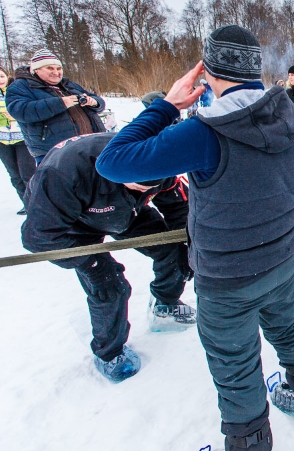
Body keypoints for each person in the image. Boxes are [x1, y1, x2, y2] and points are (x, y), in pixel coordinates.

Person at [96, 25, 294, 450]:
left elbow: (112, 161)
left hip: (226, 277)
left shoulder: (205, 132)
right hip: (279, 259)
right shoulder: (293, 116)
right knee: (287, 327)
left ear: (207, 71)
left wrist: (166, 106)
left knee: (236, 370)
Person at [22, 133, 195, 382]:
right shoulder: (62, 176)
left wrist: (185, 240)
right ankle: (109, 353)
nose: (147, 190)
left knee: (174, 251)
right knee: (109, 285)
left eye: (150, 188)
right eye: (140, 186)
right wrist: (92, 264)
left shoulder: (159, 160)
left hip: (126, 210)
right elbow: (38, 237)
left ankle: (165, 304)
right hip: (74, 223)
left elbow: (178, 206)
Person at [6, 49, 106, 164]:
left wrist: (94, 102)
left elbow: (99, 101)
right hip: (53, 151)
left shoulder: (67, 84)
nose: (56, 72)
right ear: (36, 70)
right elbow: (21, 111)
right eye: (50, 68)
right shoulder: (20, 86)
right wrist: (60, 103)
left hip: (90, 145)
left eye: (59, 68)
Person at [0, 66, 36, 214]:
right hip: (3, 141)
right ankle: (27, 204)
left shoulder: (17, 91)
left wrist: (14, 115)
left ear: (7, 76)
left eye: (1, 76)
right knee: (14, 175)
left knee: (27, 174)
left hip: (22, 138)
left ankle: (38, 203)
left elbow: (28, 110)